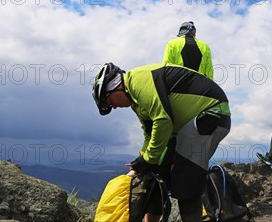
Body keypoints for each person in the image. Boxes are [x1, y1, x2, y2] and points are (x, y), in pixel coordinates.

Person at [92, 62, 231, 222]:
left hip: (213, 112)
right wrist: (139, 164)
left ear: (115, 86)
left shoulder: (138, 80)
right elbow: (150, 134)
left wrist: (148, 159)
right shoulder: (136, 103)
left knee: (185, 179)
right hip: (188, 125)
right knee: (155, 172)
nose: (113, 107)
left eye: (109, 101)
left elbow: (163, 120)